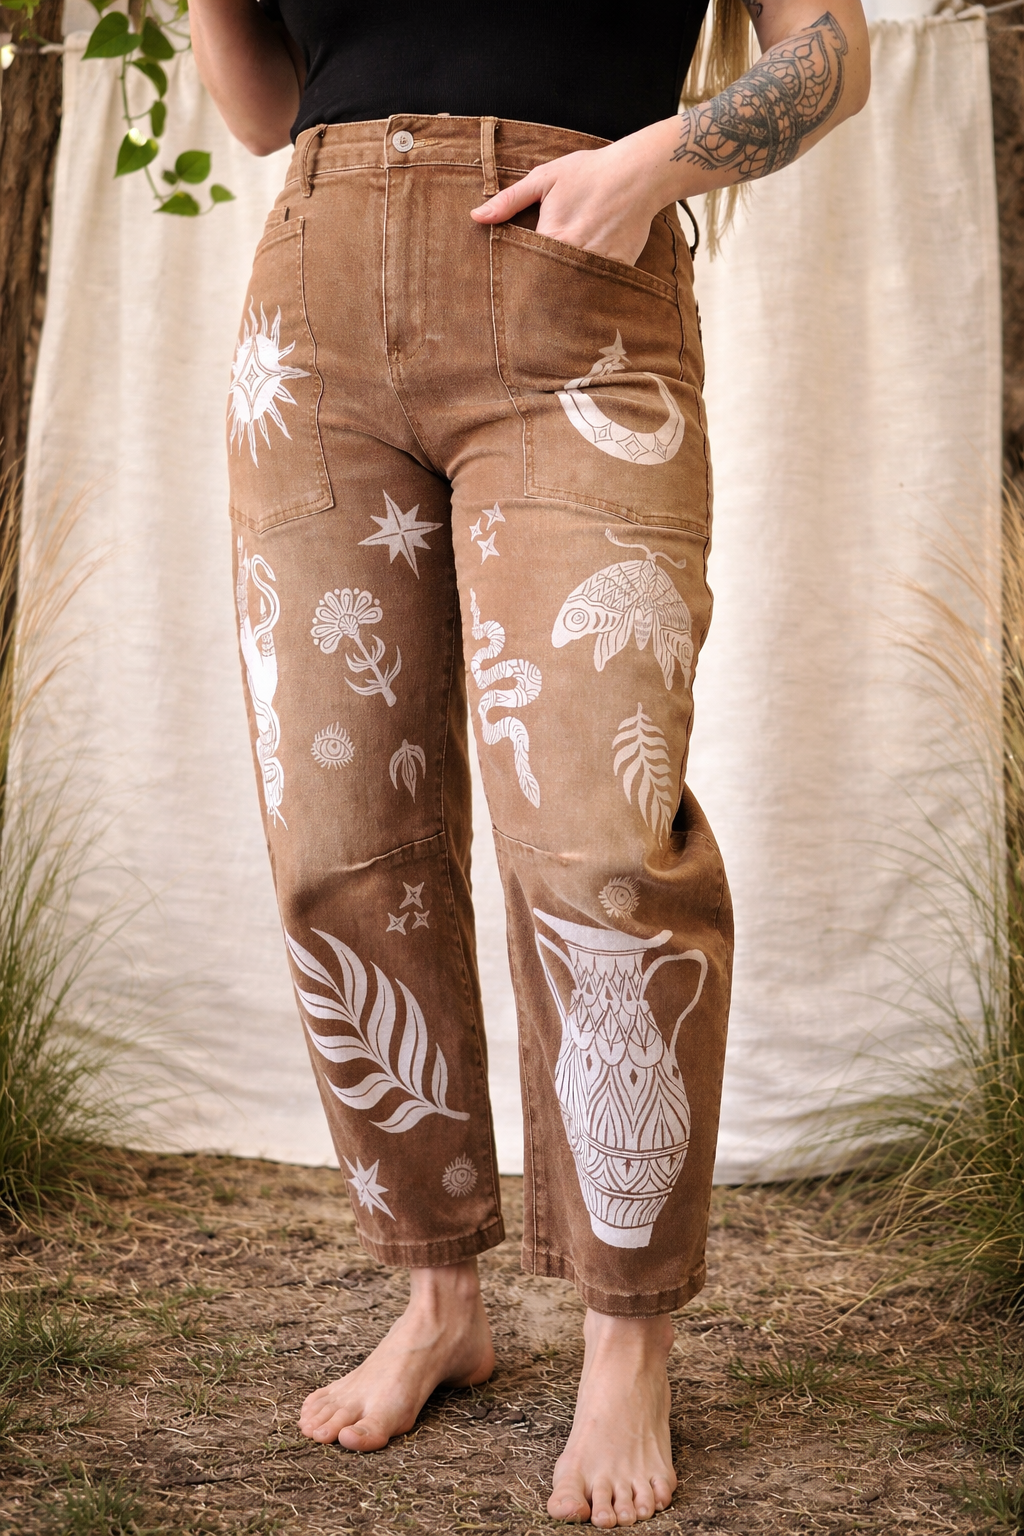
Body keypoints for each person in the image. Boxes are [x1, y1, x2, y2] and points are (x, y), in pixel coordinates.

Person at [191, 2, 869, 1525]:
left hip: (579, 300)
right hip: (311, 312)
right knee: (338, 836)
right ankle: (439, 1299)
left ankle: (629, 1337)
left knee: (602, 844)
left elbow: (831, 52)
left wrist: (654, 165)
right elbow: (261, 109)